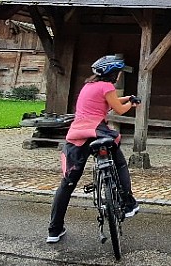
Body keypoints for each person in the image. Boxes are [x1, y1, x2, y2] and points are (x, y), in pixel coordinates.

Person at [46, 55, 140, 243]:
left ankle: (54, 231)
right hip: (98, 132)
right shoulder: (108, 86)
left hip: (77, 135)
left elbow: (108, 101)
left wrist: (126, 98)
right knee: (120, 164)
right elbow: (119, 110)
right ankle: (128, 204)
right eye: (118, 72)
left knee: (67, 183)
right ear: (113, 73)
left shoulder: (89, 86)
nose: (119, 75)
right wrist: (132, 103)